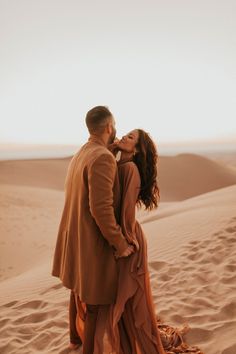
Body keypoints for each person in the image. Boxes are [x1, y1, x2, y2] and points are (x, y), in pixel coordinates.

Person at [73, 128, 166, 353]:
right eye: (126, 134)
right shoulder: (117, 164)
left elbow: (125, 214)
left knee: (121, 298)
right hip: (120, 237)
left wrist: (122, 244)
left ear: (137, 149)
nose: (124, 137)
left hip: (127, 239)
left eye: (130, 138)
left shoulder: (131, 169)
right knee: (115, 297)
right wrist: (111, 149)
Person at [51, 106, 135, 354]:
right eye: (115, 125)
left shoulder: (82, 153)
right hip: (91, 243)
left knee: (78, 291)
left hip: (75, 240)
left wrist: (111, 151)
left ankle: (75, 340)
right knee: (97, 303)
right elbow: (101, 209)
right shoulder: (102, 158)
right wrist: (120, 244)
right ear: (109, 127)